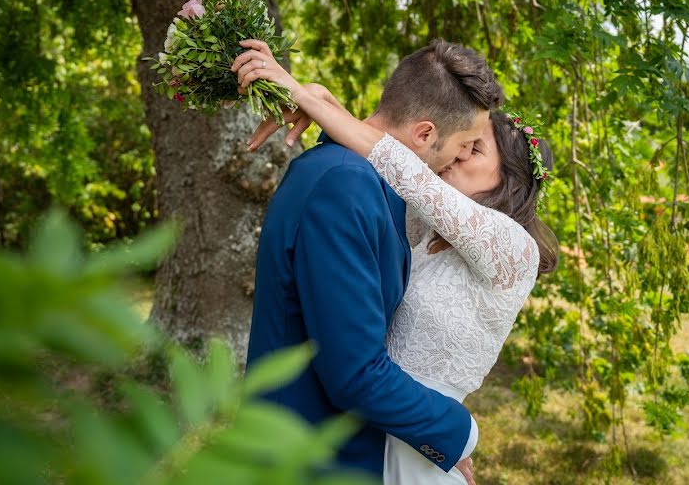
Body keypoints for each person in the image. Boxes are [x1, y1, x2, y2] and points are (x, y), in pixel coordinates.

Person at [235, 39, 559, 484]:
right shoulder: (385, 207)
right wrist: (325, 109)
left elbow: (401, 166)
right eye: (465, 144)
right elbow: (388, 162)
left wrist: (316, 101)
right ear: (428, 132)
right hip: (352, 437)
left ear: (511, 181)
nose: (458, 157)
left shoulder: (511, 245)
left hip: (406, 432)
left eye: (474, 150)